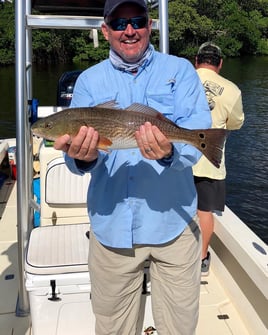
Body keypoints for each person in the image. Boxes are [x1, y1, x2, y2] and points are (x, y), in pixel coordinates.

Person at [54, 0, 212, 334]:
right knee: (113, 329)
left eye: (137, 21)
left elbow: (197, 142)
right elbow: (76, 161)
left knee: (180, 328)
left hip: (175, 228)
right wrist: (83, 156)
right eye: (119, 22)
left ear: (150, 25)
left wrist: (169, 152)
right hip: (111, 232)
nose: (130, 30)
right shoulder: (88, 81)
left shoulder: (180, 70)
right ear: (105, 30)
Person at [193, 42, 244, 276]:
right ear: (220, 64)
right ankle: (202, 258)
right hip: (210, 160)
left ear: (197, 60)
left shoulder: (182, 81)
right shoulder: (232, 90)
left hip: (178, 158)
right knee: (205, 211)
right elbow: (236, 123)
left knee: (174, 206)